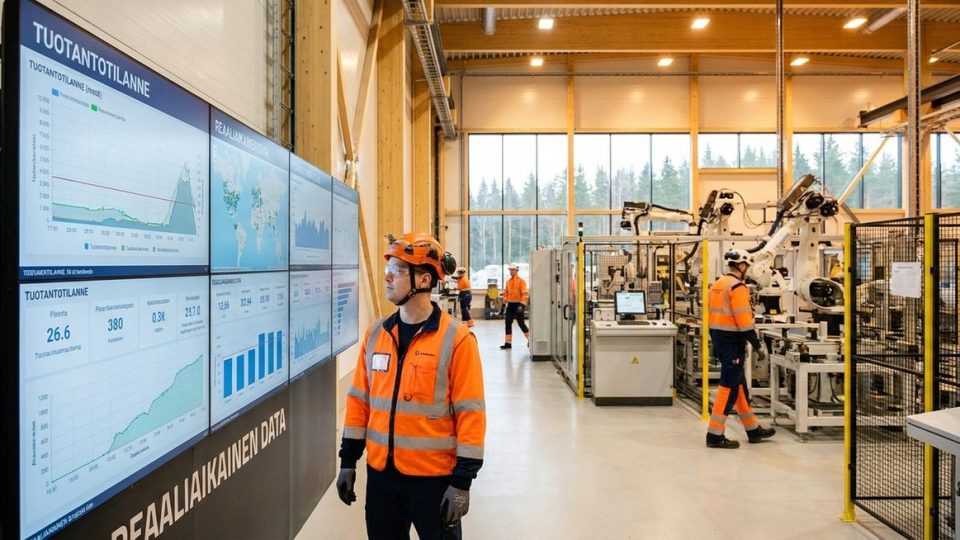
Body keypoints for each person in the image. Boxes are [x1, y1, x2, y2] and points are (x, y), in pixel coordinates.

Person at [336, 233, 486, 540]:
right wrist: (348, 460)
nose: (388, 277)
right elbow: (359, 401)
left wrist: (462, 482)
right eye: (388, 269)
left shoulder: (457, 340)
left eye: (399, 270)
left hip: (434, 481)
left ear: (425, 279)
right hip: (382, 478)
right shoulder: (376, 334)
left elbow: (471, 413)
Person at [706, 249, 776, 449]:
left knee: (739, 387)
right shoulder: (737, 286)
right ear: (742, 265)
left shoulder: (718, 284)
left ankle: (752, 429)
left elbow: (711, 313)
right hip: (732, 342)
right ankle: (714, 435)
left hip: (719, 339)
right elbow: (743, 319)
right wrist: (757, 344)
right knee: (728, 388)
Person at [499, 263, 529, 350]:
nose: (511, 272)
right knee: (508, 323)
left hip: (518, 305)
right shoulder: (508, 282)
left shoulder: (521, 281)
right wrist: (503, 304)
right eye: (510, 270)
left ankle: (530, 339)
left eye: (513, 270)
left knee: (521, 323)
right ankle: (508, 343)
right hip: (510, 305)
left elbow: (525, 294)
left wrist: (522, 305)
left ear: (516, 271)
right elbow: (506, 293)